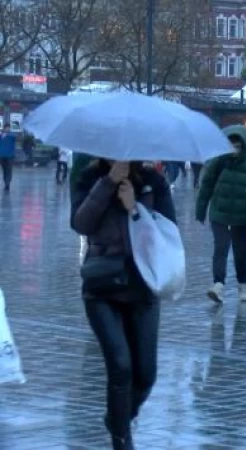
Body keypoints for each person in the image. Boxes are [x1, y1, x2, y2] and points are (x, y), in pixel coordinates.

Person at [71, 159, 176, 450]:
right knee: (120, 366)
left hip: (143, 287)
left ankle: (118, 418)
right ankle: (121, 439)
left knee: (146, 373)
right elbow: (80, 223)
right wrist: (106, 185)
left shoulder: (153, 182)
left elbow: (168, 232)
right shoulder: (89, 177)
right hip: (102, 286)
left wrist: (135, 208)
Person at [196, 135, 246, 303]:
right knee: (220, 248)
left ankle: (243, 284)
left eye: (237, 146)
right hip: (219, 214)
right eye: (231, 146)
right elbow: (206, 185)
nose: (234, 149)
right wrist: (200, 210)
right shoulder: (219, 162)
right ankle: (218, 284)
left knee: (241, 252)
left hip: (242, 217)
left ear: (243, 147)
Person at [0, 123, 17, 192]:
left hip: (10, 156)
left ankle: (7, 183)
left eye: (8, 128)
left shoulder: (12, 135)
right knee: (4, 170)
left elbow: (15, 137)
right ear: (4, 128)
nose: (7, 129)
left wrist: (6, 135)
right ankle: (6, 182)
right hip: (1, 155)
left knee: (9, 170)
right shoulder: (1, 135)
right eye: (6, 128)